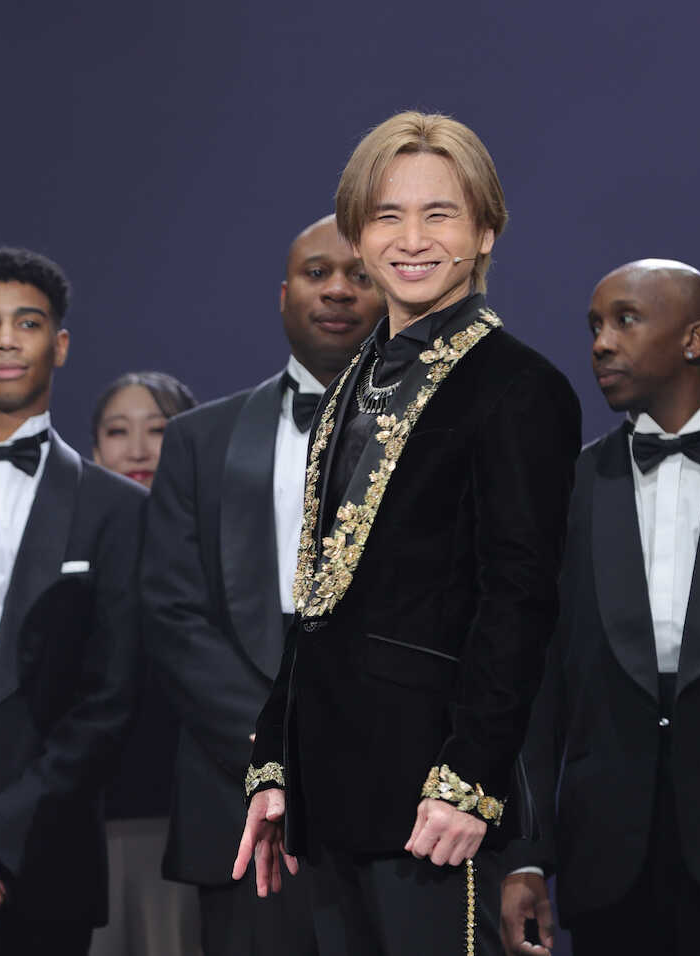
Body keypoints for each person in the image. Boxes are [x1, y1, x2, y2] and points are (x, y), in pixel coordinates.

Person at [233, 111, 581, 956]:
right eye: (388, 215)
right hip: (330, 787)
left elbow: (521, 599)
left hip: (435, 794)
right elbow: (315, 596)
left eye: (440, 214)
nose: (411, 239)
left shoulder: (521, 388)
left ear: (486, 229)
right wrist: (277, 764)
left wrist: (469, 781)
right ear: (358, 232)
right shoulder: (356, 376)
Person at [143, 213, 383, 954]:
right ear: (284, 296)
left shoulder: (447, 429)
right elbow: (170, 609)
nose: (338, 290)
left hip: (390, 778)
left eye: (360, 275)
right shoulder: (197, 440)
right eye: (318, 274)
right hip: (236, 781)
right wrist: (267, 744)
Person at [0, 247, 145, 956]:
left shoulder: (117, 508)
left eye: (26, 323)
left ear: (57, 345)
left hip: (49, 850)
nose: (4, 340)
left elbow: (112, 699)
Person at [500, 259, 700, 955]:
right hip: (608, 866)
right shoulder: (568, 485)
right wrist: (525, 855)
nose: (601, 343)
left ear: (695, 338)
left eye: (625, 319)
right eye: (593, 325)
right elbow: (533, 687)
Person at [87, 371, 201, 956]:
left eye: (158, 431)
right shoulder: (63, 553)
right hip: (80, 826)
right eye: (117, 431)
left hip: (187, 828)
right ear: (93, 450)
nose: (137, 449)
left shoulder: (224, 554)